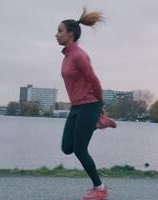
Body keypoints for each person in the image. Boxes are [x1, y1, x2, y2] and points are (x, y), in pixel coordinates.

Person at [56, 8, 111, 200]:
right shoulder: (67, 56)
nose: (56, 34)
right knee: (66, 148)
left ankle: (100, 188)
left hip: (90, 105)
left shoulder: (79, 55)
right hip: (76, 107)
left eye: (60, 31)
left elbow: (94, 81)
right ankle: (97, 123)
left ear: (70, 34)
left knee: (80, 149)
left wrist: (100, 105)